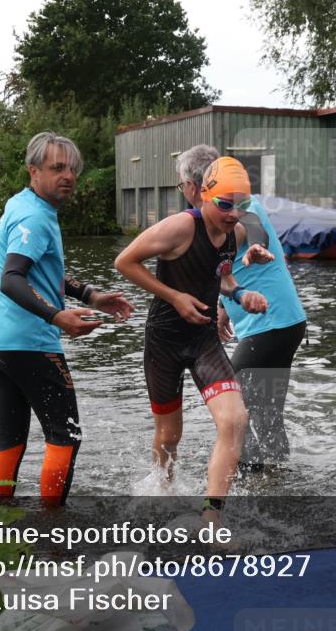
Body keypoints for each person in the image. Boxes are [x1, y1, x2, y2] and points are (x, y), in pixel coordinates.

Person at [0, 131, 134, 505]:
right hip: (31, 345)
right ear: (34, 171)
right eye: (57, 168)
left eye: (72, 169)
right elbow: (11, 279)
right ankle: (53, 528)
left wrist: (91, 295)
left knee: (11, 438)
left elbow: (39, 274)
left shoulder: (21, 205)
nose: (68, 175)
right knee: (66, 438)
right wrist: (57, 316)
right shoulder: (35, 216)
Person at [114, 156, 274, 522]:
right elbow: (125, 261)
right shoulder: (180, 228)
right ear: (203, 194)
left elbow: (224, 277)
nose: (233, 214)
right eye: (225, 205)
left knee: (235, 419)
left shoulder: (235, 233)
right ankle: (162, 495)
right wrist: (174, 297)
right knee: (170, 437)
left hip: (203, 340)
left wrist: (240, 296)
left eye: (242, 205)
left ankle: (211, 518)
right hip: (164, 341)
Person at [176, 145, 308, 470]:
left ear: (196, 185)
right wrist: (224, 304)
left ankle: (246, 479)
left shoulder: (238, 204)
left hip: (270, 324)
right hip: (286, 322)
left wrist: (257, 246)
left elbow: (255, 232)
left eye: (182, 184)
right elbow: (227, 267)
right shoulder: (220, 213)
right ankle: (276, 480)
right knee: (266, 415)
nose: (184, 191)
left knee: (230, 407)